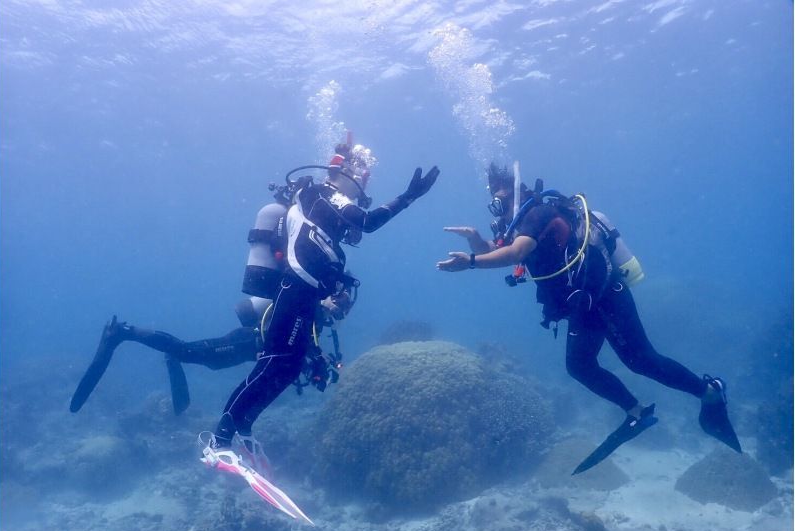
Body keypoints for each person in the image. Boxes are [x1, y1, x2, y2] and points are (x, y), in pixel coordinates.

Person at [437, 162, 740, 474]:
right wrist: (475, 240)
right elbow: (497, 248)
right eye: (492, 200)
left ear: (515, 191)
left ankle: (710, 391)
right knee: (579, 366)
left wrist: (471, 262)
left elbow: (516, 254)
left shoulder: (536, 214)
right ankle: (637, 412)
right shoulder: (515, 222)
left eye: (498, 198)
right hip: (581, 304)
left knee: (642, 360)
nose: (495, 206)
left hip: (606, 294)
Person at [202, 139, 440, 471]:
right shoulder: (324, 193)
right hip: (294, 292)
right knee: (272, 365)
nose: (364, 183)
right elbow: (367, 222)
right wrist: (407, 198)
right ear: (341, 172)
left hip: (305, 296)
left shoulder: (324, 203)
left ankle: (243, 426)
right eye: (361, 175)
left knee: (286, 370)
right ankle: (218, 442)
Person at [68, 288, 355, 416]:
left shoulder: (312, 319)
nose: (338, 313)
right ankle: (123, 333)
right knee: (189, 351)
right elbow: (301, 347)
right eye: (338, 305)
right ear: (327, 298)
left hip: (244, 348)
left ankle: (168, 354)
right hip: (245, 343)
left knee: (200, 357)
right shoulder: (309, 313)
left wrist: (319, 365)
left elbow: (300, 352)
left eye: (343, 310)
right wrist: (317, 365)